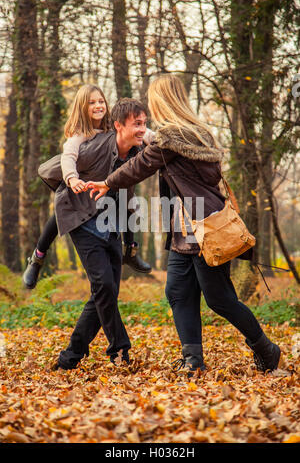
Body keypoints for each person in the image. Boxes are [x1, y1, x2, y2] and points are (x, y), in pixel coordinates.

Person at [86, 74, 281, 376]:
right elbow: (155, 145)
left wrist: (107, 182)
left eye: (153, 99)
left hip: (204, 229)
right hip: (185, 230)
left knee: (220, 299)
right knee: (178, 292)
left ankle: (267, 349)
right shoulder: (194, 133)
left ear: (162, 99)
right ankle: (193, 359)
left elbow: (141, 165)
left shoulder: (172, 138)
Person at [38, 96, 152, 370]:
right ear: (117, 126)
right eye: (136, 124)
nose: (142, 129)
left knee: (105, 294)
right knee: (103, 287)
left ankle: (70, 358)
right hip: (81, 219)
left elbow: (158, 141)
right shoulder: (93, 147)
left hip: (110, 224)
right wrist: (72, 179)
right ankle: (120, 349)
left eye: (144, 124)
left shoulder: (138, 151)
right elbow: (56, 165)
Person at [23, 84, 151, 290]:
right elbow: (68, 157)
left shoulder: (113, 124)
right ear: (82, 107)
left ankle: (131, 252)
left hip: (109, 174)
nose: (98, 105)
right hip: (80, 176)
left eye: (101, 101)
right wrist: (72, 178)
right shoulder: (80, 133)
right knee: (61, 212)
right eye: (92, 103)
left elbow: (145, 132)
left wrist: (164, 140)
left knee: (127, 201)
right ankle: (37, 258)